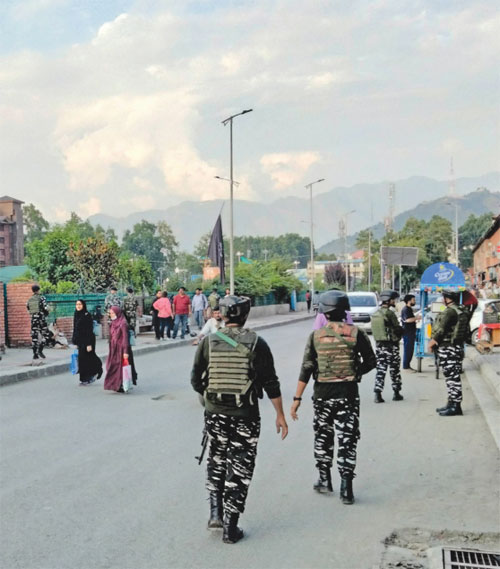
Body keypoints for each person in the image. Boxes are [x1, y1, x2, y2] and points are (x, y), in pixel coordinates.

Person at [191, 295, 288, 544]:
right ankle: (230, 528)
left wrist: (210, 397)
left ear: (221, 315)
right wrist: (280, 415)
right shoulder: (257, 343)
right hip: (245, 415)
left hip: (214, 413)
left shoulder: (209, 342)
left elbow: (195, 379)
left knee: (216, 459)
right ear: (246, 315)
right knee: (240, 467)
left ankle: (215, 513)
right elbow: (271, 383)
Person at [291, 290, 376, 505]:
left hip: (322, 395)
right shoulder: (357, 334)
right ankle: (346, 488)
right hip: (347, 394)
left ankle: (324, 479)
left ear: (324, 312)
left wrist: (297, 399)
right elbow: (371, 361)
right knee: (347, 438)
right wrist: (355, 373)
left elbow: (307, 368)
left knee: (323, 436)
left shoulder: (316, 336)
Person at [428, 289, 469, 416]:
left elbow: (441, 329)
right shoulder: (460, 309)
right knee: (452, 376)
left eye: (444, 297)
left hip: (448, 347)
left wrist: (432, 342)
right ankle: (451, 403)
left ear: (447, 298)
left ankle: (456, 406)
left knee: (452, 377)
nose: (443, 299)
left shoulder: (450, 311)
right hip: (455, 347)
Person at [371, 290, 404, 403]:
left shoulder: (376, 313)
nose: (394, 301)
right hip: (391, 346)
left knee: (381, 370)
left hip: (380, 346)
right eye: (393, 300)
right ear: (389, 301)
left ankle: (377, 394)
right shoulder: (389, 313)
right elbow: (397, 327)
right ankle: (396, 393)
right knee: (394, 370)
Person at [104, 306, 138, 392]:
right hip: (113, 349)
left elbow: (125, 338)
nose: (111, 315)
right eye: (110, 313)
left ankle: (120, 385)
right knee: (111, 366)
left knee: (119, 367)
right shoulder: (112, 323)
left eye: (112, 313)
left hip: (122, 349)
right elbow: (111, 337)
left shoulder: (123, 323)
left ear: (117, 313)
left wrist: (125, 352)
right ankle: (115, 384)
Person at [72, 299, 103, 385]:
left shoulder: (87, 315)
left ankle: (98, 369)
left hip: (88, 339)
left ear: (83, 305)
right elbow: (75, 328)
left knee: (89, 357)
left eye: (80, 304)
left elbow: (89, 330)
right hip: (80, 340)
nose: (78, 306)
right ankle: (84, 379)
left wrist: (88, 344)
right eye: (77, 304)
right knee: (82, 360)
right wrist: (74, 340)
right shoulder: (76, 314)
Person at [26, 284, 51, 363]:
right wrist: (47, 311)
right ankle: (40, 350)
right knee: (47, 335)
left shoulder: (30, 299)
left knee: (34, 337)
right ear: (38, 290)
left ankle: (35, 354)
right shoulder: (42, 298)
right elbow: (45, 307)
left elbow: (28, 308)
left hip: (33, 319)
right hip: (41, 319)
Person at [401, 294, 420, 371]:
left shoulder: (409, 309)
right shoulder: (406, 309)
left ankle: (407, 365)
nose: (414, 301)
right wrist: (416, 318)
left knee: (410, 350)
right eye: (413, 300)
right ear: (409, 301)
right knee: (407, 350)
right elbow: (407, 320)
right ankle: (406, 366)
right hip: (407, 333)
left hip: (411, 332)